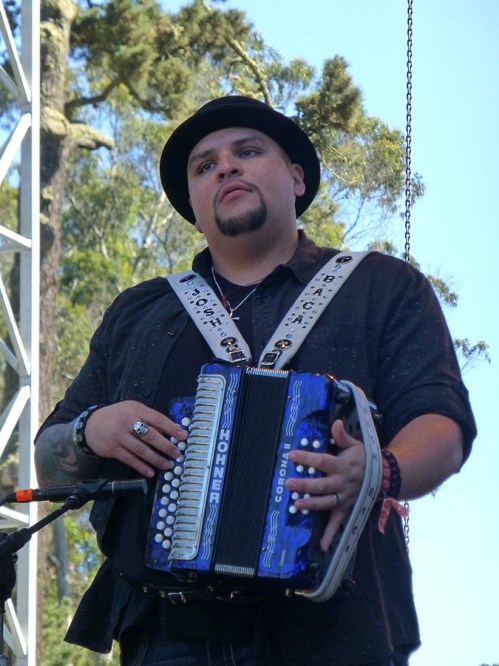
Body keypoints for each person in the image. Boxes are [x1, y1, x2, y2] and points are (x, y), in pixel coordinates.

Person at [34, 96, 476, 666]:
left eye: (247, 152)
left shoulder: (380, 285)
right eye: (205, 166)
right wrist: (92, 429)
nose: (226, 167)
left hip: (338, 629)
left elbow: (442, 426)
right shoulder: (139, 311)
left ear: (297, 178)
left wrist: (378, 469)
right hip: (165, 635)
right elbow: (48, 463)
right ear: (193, 207)